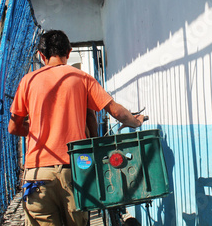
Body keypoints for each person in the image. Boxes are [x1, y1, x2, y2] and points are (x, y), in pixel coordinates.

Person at [8, 30, 144, 226]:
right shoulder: (82, 78)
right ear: (69, 52)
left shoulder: (28, 81)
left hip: (37, 174)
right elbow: (116, 111)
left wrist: (36, 129)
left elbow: (13, 127)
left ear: (41, 55)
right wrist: (135, 121)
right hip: (74, 171)